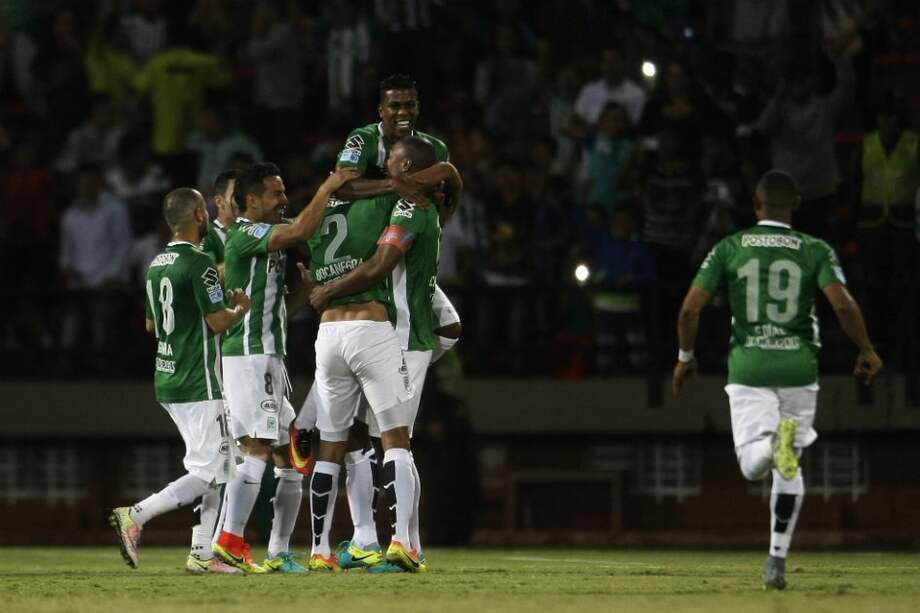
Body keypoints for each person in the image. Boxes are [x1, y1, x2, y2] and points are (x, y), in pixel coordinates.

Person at [672, 170, 882, 590]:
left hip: (750, 368)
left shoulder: (730, 247)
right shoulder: (814, 249)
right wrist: (866, 349)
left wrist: (685, 357)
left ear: (756, 203)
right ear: (797, 205)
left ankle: (772, 443)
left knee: (755, 465)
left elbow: (690, 310)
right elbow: (842, 306)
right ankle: (776, 562)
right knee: (791, 466)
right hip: (799, 368)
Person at [309, 137, 462, 572]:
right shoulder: (414, 207)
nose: (382, 171)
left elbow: (381, 264)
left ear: (408, 165)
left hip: (403, 337)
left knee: (392, 442)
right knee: (374, 441)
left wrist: (327, 290)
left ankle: (406, 543)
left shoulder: (412, 209)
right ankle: (373, 541)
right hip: (384, 336)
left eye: (390, 164)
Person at [211, 162, 357, 574]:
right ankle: (228, 542)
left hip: (270, 356)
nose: (284, 199)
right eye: (276, 194)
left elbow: (276, 306)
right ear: (252, 201)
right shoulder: (247, 234)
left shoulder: (266, 239)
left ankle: (277, 551)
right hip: (250, 356)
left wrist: (307, 294)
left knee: (290, 457)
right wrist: (329, 183)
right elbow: (300, 232)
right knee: (258, 447)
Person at [109, 187, 251, 574]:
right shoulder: (201, 263)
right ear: (199, 216)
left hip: (167, 376)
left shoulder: (155, 264)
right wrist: (239, 307)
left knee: (222, 465)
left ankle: (202, 555)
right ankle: (136, 515)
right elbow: (218, 321)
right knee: (211, 470)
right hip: (198, 380)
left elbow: (151, 324)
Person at [199, 168, 239, 279]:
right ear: (219, 202)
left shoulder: (256, 230)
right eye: (237, 196)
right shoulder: (206, 235)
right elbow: (205, 280)